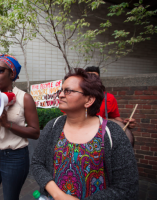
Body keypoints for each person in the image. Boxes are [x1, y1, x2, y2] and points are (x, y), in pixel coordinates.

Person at [31, 68, 138, 200]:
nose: (61, 95)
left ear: (89, 100)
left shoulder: (113, 133)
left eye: (68, 91)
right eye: (61, 90)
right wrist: (58, 195)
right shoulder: (53, 126)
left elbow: (127, 187)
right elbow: (37, 163)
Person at [0, 54, 40, 200]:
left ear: (12, 74)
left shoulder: (24, 98)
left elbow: (35, 132)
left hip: (15, 157)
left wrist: (8, 125)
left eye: (0, 70)